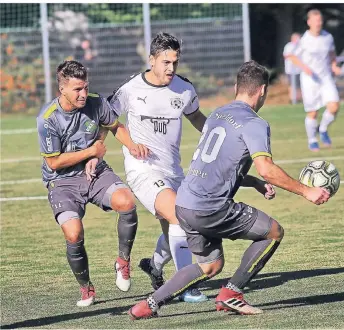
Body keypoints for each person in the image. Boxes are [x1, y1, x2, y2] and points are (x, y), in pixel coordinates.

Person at [128, 60, 331, 319]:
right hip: (211, 207)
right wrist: (307, 191)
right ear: (262, 91)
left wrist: (254, 183)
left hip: (185, 203)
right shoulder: (255, 123)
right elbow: (266, 168)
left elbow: (220, 164)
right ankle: (232, 294)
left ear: (236, 87)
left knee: (209, 265)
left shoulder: (217, 115)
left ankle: (149, 304)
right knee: (273, 232)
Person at [36, 60, 148, 307]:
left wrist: (132, 145)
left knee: (126, 202)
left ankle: (122, 262)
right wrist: (92, 152)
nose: (83, 94)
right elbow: (54, 163)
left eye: (85, 87)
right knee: (74, 233)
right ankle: (86, 288)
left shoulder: (97, 103)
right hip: (62, 182)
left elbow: (115, 126)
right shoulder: (48, 119)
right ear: (62, 90)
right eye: (77, 89)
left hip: (94, 173)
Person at [107, 32, 208, 303]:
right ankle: (185, 285)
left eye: (175, 62)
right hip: (143, 170)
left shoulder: (184, 89)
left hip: (174, 170)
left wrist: (214, 136)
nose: (171, 68)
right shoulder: (131, 89)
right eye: (165, 62)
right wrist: (124, 144)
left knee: (183, 223)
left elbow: (196, 116)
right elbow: (108, 119)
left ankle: (154, 265)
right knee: (178, 216)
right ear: (151, 60)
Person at [286, 9, 341, 152]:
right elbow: (290, 55)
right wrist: (305, 68)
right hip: (310, 80)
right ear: (309, 22)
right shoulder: (304, 40)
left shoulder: (328, 37)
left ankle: (322, 129)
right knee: (313, 112)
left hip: (325, 77)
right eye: (315, 20)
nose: (318, 23)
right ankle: (312, 140)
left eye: (320, 20)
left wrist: (334, 65)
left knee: (334, 106)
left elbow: (332, 54)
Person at [283, 33, 302, 103]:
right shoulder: (288, 46)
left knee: (299, 85)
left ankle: (299, 98)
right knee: (292, 85)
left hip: (300, 69)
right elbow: (286, 55)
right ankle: (292, 98)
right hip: (290, 70)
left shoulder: (301, 46)